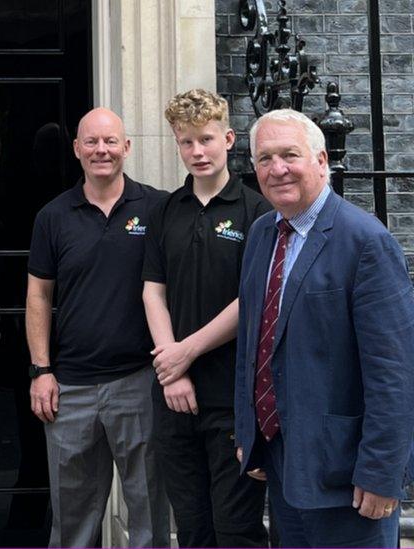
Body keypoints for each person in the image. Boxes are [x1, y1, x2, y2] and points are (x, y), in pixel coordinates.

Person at [235, 108, 414, 547]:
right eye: (264, 158)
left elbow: (394, 371)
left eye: (289, 155)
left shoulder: (364, 241)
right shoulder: (262, 234)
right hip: (284, 464)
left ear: (321, 161)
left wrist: (382, 472)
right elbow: (253, 345)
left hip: (348, 476)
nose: (277, 169)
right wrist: (250, 434)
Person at [27, 107, 170, 547]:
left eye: (110, 141)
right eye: (91, 142)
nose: (101, 150)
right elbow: (38, 296)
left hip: (140, 383)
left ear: (127, 147)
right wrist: (41, 371)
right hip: (70, 389)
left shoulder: (159, 207)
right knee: (73, 523)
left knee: (148, 517)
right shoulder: (53, 216)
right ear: (76, 150)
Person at [141, 89, 270, 547]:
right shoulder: (165, 210)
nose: (197, 151)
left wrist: (185, 353)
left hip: (231, 396)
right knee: (192, 528)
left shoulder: (258, 212)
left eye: (206, 140)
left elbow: (251, 299)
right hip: (174, 398)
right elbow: (153, 289)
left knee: (236, 529)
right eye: (186, 142)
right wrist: (170, 370)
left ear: (229, 139)